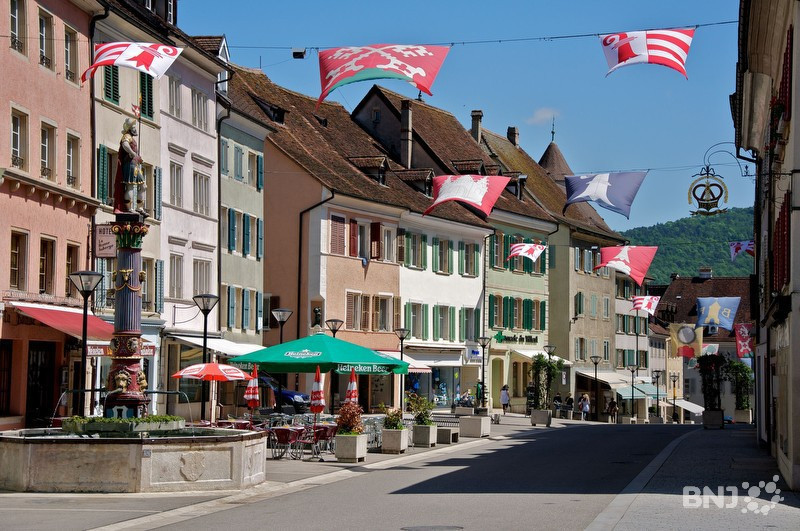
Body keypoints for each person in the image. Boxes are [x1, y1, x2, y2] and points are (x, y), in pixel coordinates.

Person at [113, 118, 145, 214]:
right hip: (130, 165)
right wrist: (132, 153)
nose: (135, 129)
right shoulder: (127, 136)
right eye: (134, 127)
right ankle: (130, 209)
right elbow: (125, 144)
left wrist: (138, 157)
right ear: (130, 128)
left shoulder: (131, 138)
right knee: (130, 185)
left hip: (135, 165)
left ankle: (140, 208)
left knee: (143, 186)